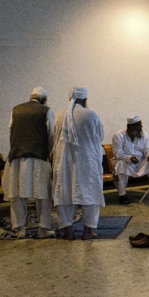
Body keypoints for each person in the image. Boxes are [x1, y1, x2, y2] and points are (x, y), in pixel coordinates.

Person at [2, 87, 56, 239]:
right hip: (39, 157)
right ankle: (43, 229)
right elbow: (51, 135)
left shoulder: (16, 110)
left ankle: (20, 230)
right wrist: (48, 152)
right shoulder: (46, 111)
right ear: (44, 99)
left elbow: (10, 132)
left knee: (17, 195)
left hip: (16, 157)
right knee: (43, 195)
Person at [52, 87, 105, 241]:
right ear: (85, 100)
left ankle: (68, 232)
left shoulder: (60, 115)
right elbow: (100, 135)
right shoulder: (90, 115)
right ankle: (88, 232)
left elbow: (54, 136)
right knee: (90, 193)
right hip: (87, 160)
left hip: (63, 160)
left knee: (64, 193)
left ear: (70, 99)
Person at [111, 116, 149, 204]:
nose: (141, 127)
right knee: (120, 165)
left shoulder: (144, 135)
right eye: (138, 125)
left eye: (140, 125)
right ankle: (122, 195)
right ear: (131, 127)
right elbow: (117, 153)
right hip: (125, 161)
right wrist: (129, 158)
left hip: (140, 161)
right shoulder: (118, 136)